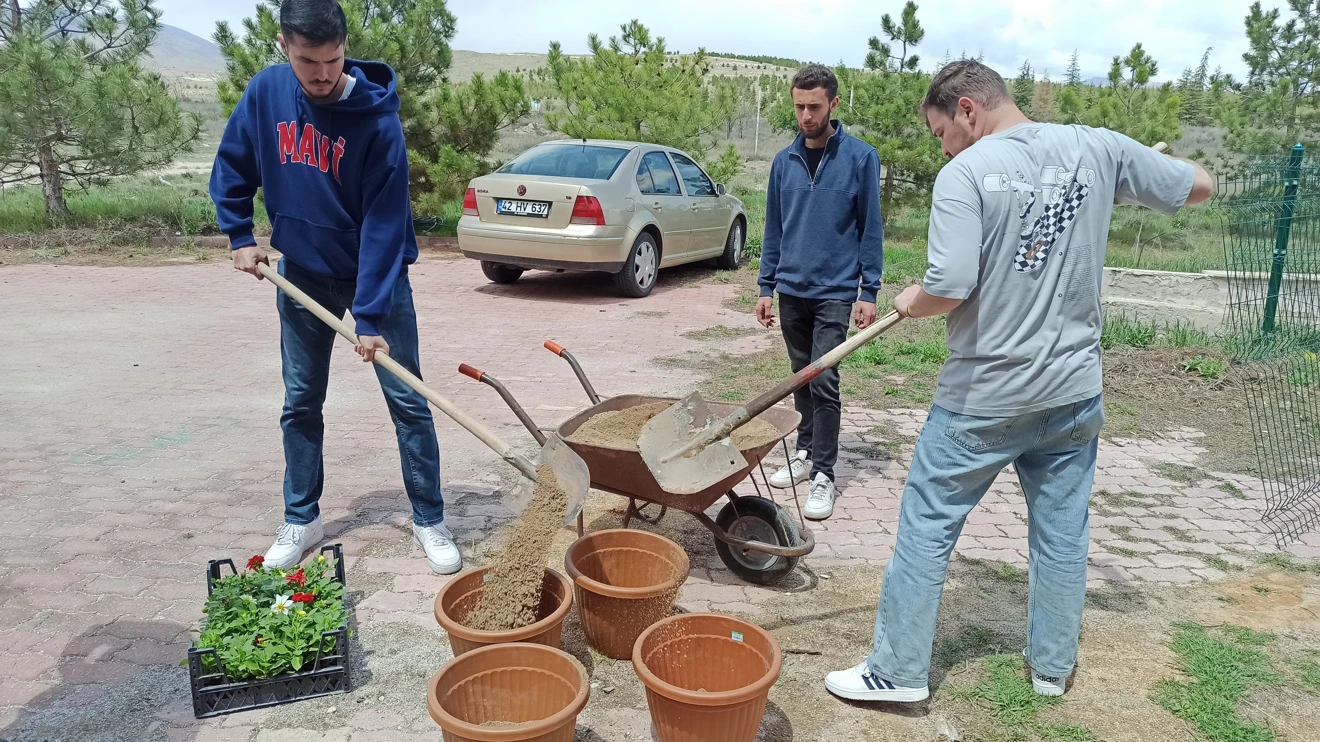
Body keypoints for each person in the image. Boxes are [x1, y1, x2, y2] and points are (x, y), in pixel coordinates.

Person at [824, 60, 1213, 703]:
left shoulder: (966, 175)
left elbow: (948, 285)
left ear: (968, 110)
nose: (941, 145)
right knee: (1062, 532)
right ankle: (1051, 671)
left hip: (985, 397)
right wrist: (1123, 170)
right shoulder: (1097, 147)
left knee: (927, 523)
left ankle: (897, 673)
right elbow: (1198, 186)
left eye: (939, 130)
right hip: (1071, 391)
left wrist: (909, 299)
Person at [210, 0, 462, 574]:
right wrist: (239, 232)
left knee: (407, 400)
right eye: (307, 61)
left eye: (332, 59)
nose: (321, 73)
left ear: (345, 47)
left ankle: (430, 518)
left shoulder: (377, 121)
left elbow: (384, 224)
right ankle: (301, 517)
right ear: (284, 47)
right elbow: (233, 164)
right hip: (301, 272)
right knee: (300, 401)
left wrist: (369, 316)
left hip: (378, 277)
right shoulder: (266, 93)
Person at [758, 64, 885, 521]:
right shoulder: (782, 161)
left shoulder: (860, 158)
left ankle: (824, 475)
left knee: (824, 379)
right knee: (800, 375)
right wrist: (765, 285)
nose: (805, 116)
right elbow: (774, 228)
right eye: (799, 106)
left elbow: (871, 229)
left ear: (833, 104)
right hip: (791, 289)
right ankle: (804, 451)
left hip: (835, 291)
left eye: (814, 106)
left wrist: (868, 291)